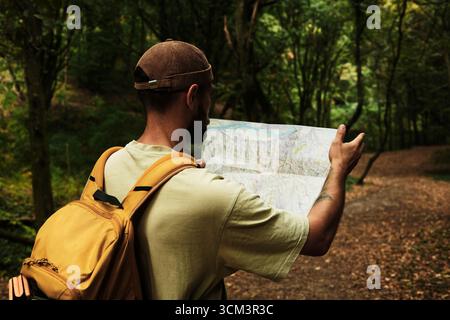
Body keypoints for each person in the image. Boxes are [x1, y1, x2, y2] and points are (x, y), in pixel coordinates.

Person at [104, 40, 365, 299]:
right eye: (209, 93)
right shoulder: (214, 196)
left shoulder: (109, 165)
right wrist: (338, 168)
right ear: (193, 96)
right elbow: (317, 236)